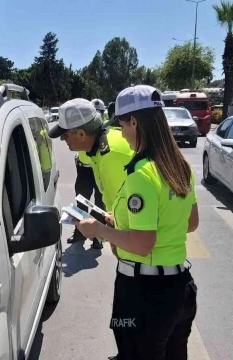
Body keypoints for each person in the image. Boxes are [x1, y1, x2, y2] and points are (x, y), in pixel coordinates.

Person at [76, 85, 200, 360]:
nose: (120, 131)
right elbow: (190, 222)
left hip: (144, 294)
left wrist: (98, 229)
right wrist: (117, 223)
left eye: (120, 123)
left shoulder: (141, 174)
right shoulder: (178, 165)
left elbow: (143, 244)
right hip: (180, 289)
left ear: (133, 121)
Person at [48, 98, 134, 251]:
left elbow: (131, 217)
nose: (62, 139)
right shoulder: (98, 150)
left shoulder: (110, 156)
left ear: (81, 134)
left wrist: (101, 230)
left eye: (65, 134)